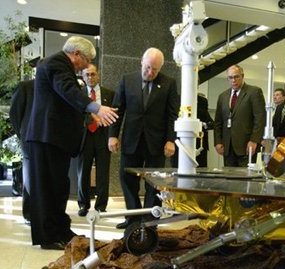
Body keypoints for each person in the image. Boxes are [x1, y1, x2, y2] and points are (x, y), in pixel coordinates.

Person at [24, 36, 118, 250]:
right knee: (47, 188)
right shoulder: (56, 63)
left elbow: (64, 99)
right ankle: (48, 237)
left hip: (55, 139)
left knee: (58, 186)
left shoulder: (60, 65)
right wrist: (96, 108)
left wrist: (89, 116)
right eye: (86, 60)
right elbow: (67, 90)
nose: (86, 66)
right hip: (47, 137)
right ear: (76, 54)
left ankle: (61, 229)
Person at [108, 47, 179, 229]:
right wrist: (113, 135)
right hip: (132, 139)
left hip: (157, 142)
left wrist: (171, 140)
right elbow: (118, 109)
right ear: (141, 61)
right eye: (147, 67)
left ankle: (149, 219)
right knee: (127, 179)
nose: (150, 72)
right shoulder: (127, 80)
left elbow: (172, 115)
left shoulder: (169, 84)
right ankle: (133, 218)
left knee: (154, 183)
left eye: (155, 69)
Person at [76, 64, 115, 217]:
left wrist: (113, 136)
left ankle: (101, 206)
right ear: (83, 77)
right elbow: (77, 113)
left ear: (98, 75)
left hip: (103, 137)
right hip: (85, 137)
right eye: (87, 75)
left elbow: (115, 117)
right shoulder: (78, 94)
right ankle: (83, 205)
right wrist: (93, 118)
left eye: (92, 74)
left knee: (103, 172)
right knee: (83, 172)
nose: (90, 77)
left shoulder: (109, 94)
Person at [213, 65, 266, 167]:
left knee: (245, 178)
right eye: (230, 77)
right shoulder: (222, 96)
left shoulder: (254, 92)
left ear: (242, 76)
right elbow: (218, 122)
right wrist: (218, 141)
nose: (233, 80)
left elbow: (260, 119)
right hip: (227, 147)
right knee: (228, 178)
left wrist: (254, 141)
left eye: (236, 76)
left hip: (246, 146)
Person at [9, 79, 34, 223]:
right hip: (29, 139)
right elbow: (15, 113)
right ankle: (29, 214)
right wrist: (22, 133)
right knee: (30, 178)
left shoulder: (57, 86)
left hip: (50, 141)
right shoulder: (26, 86)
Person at [171, 92, 213, 168]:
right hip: (180, 143)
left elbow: (209, 121)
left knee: (201, 173)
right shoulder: (176, 99)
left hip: (199, 143)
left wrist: (204, 125)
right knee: (180, 168)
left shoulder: (202, 101)